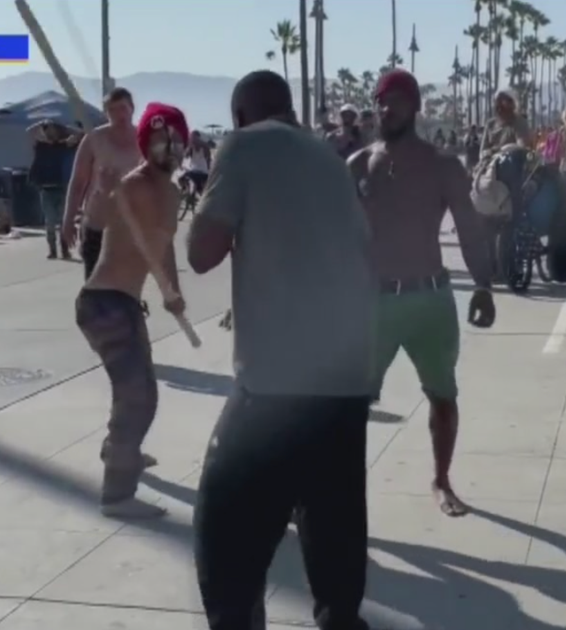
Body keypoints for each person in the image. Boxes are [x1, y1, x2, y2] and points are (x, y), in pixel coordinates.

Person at [187, 69, 375, 630]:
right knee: (331, 530)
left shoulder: (242, 145)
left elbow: (201, 251)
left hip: (276, 386)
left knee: (224, 538)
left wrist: (208, 197)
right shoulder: (330, 160)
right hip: (345, 381)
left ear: (242, 113)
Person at [349, 69, 497, 517]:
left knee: (443, 396)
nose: (385, 108)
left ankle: (441, 480)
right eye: (379, 101)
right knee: (352, 403)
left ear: (415, 107)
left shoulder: (443, 165)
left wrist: (484, 285)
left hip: (430, 299)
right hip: (374, 302)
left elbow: (470, 230)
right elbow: (330, 228)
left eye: (394, 100)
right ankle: (342, 488)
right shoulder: (358, 163)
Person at [75, 103, 191, 519]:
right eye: (161, 141)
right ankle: (117, 494)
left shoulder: (173, 191)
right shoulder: (131, 184)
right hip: (103, 303)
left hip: (125, 303)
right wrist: (103, 193)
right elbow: (99, 219)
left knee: (140, 392)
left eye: (176, 141)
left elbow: (163, 246)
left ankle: (119, 450)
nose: (170, 149)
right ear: (146, 143)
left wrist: (171, 291)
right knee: (136, 396)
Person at [63, 87, 141, 280]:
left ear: (132, 108)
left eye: (122, 108)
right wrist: (68, 219)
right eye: (111, 110)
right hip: (98, 225)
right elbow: (78, 182)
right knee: (95, 286)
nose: (118, 115)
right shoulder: (94, 139)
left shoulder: (144, 139)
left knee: (126, 288)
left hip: (132, 227)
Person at [29, 120, 78, 259]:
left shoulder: (62, 145)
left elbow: (79, 135)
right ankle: (52, 250)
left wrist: (66, 126)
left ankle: (65, 249)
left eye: (54, 129)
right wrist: (42, 122)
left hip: (61, 188)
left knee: (63, 221)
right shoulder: (41, 146)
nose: (51, 132)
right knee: (50, 221)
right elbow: (30, 132)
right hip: (46, 189)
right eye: (48, 129)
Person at [476, 88, 534, 168]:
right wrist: (488, 155)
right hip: (490, 166)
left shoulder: (519, 122)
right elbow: (482, 151)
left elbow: (522, 148)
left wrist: (497, 150)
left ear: (512, 104)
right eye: (497, 101)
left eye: (503, 101)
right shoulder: (490, 124)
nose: (499, 105)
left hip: (512, 167)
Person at [181, 130, 213, 195]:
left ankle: (188, 192)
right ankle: (192, 194)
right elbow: (208, 160)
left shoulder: (191, 147)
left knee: (182, 179)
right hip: (204, 173)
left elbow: (185, 156)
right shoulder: (204, 146)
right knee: (201, 191)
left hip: (194, 173)